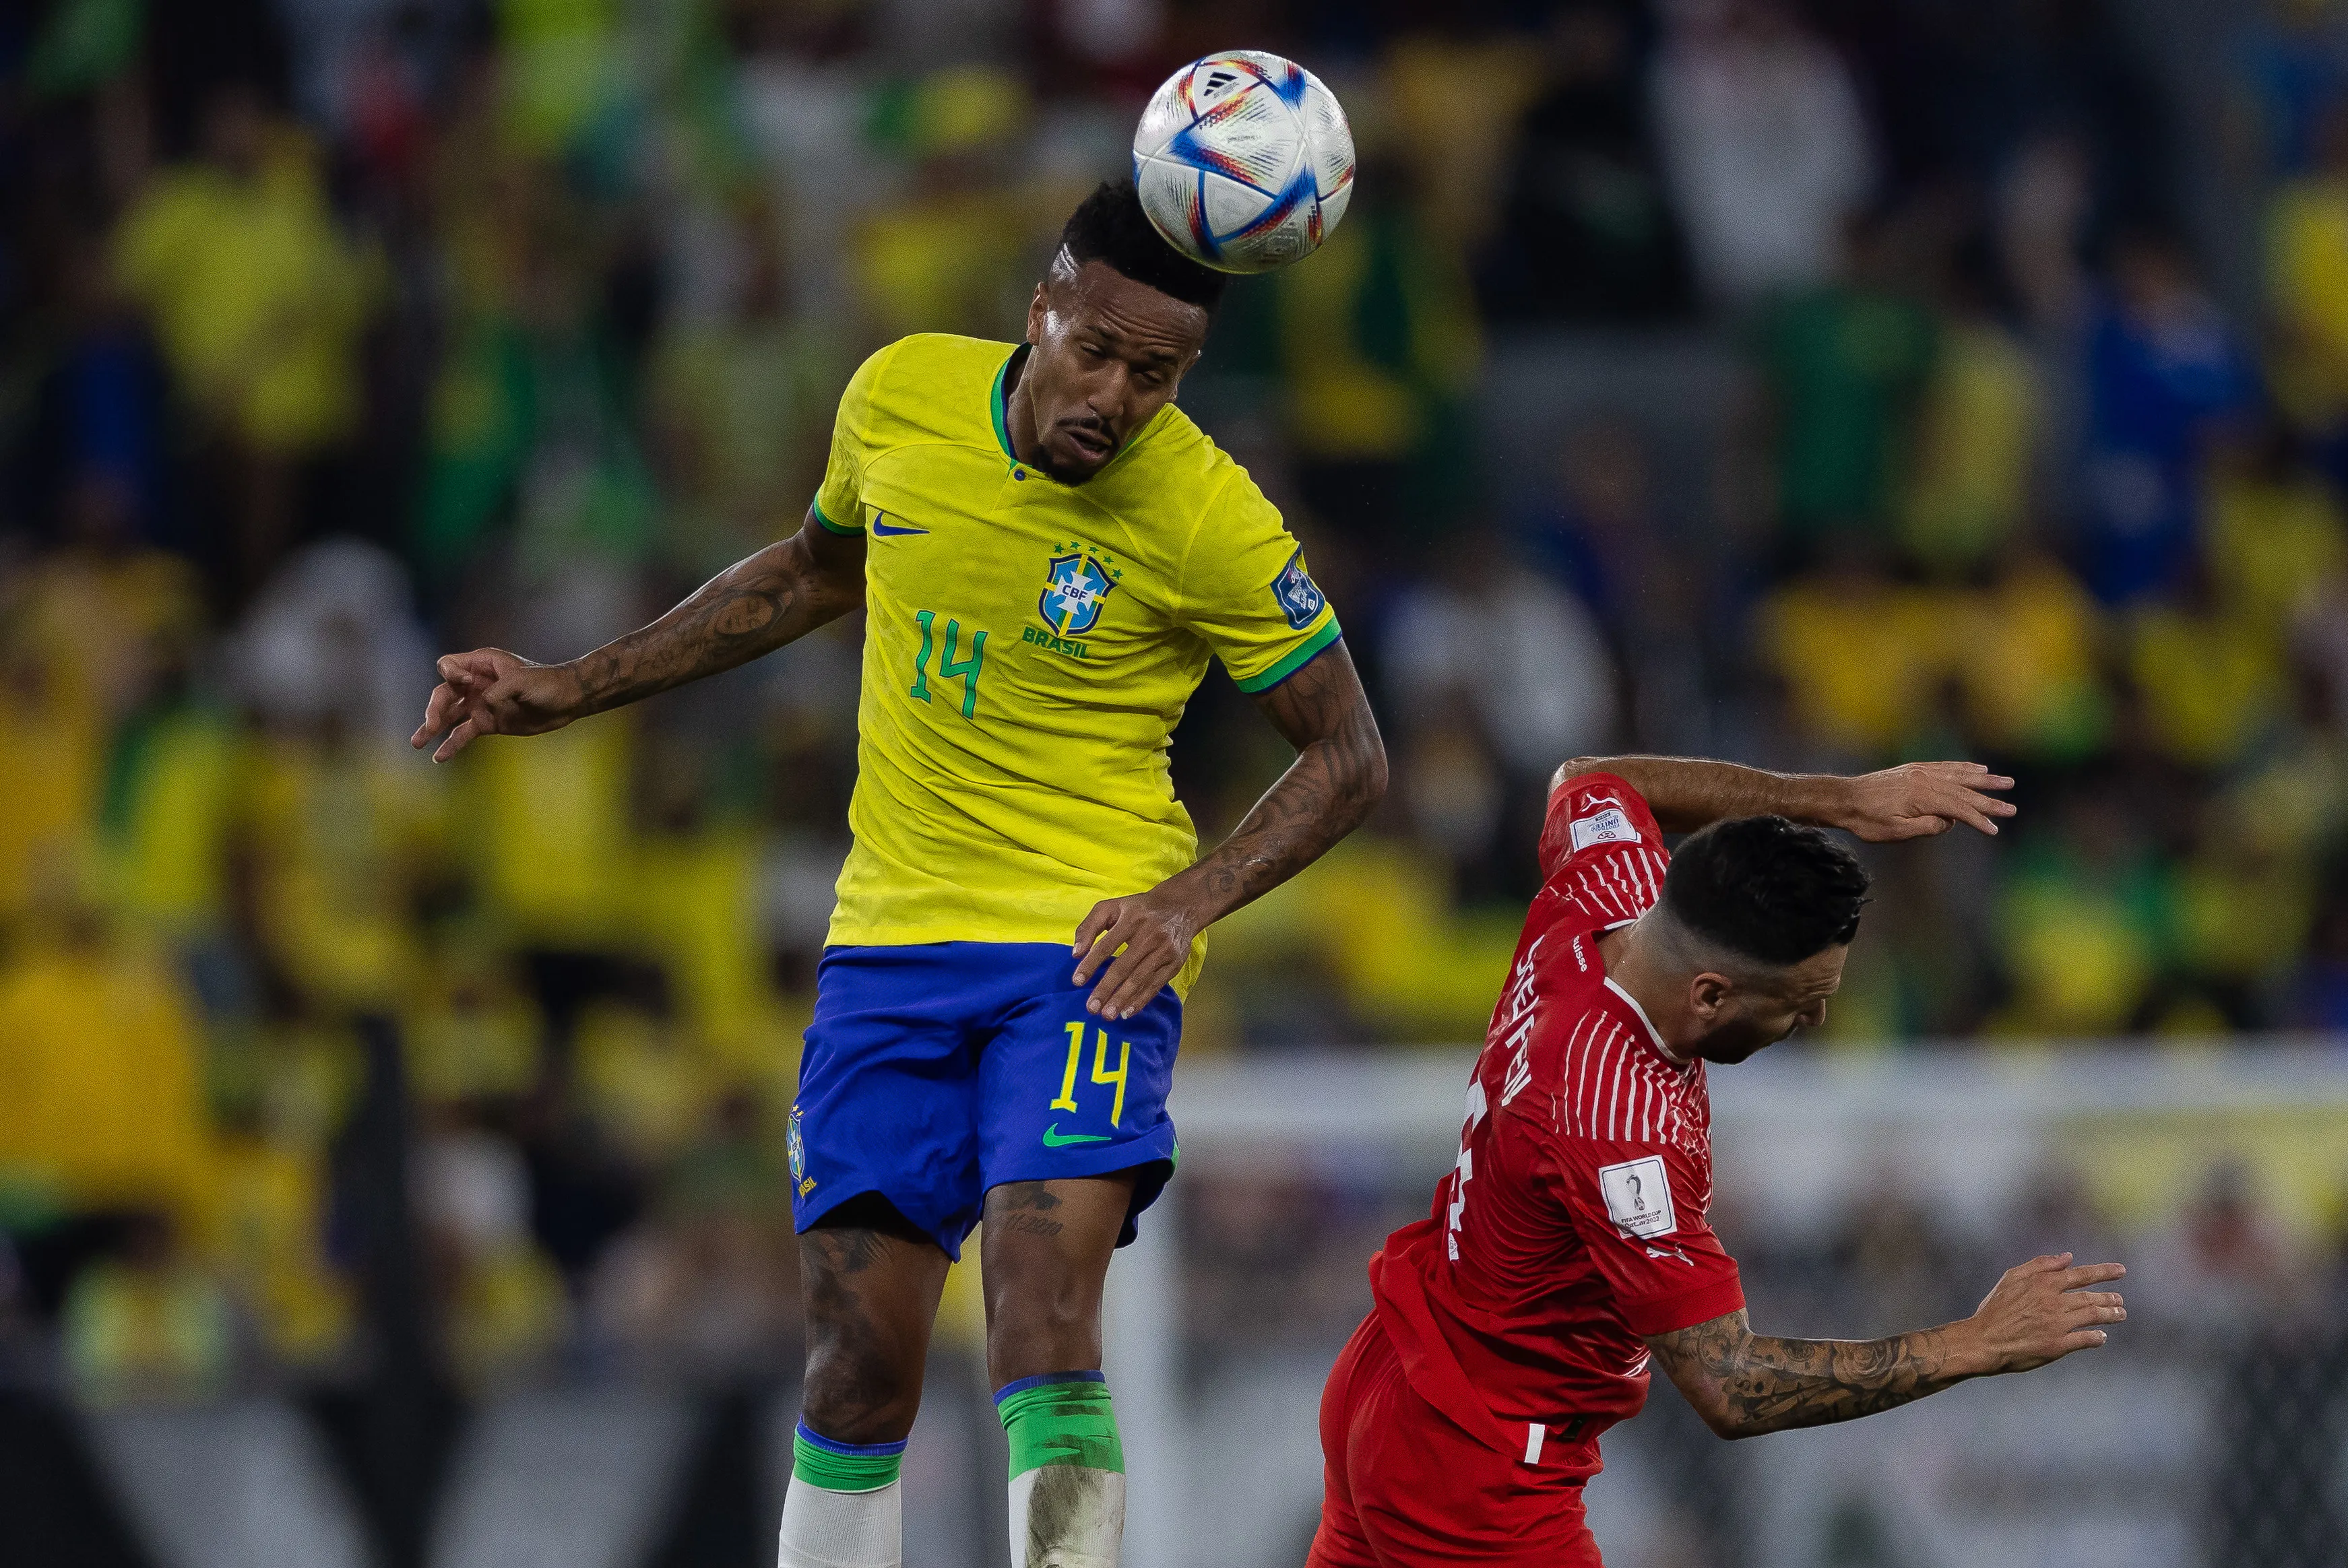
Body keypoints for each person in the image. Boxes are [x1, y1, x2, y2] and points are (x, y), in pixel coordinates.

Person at [412, 180, 1387, 1568]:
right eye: (1098, 353)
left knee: (1041, 1319)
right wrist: (574, 688)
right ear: (1040, 310)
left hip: (1083, 956)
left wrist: (1187, 902)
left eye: (1158, 375)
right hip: (888, 952)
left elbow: (1351, 756)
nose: (1118, 395)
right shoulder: (900, 398)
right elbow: (812, 575)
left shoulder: (1213, 519)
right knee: (855, 1370)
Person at [1308, 755, 2127, 1568]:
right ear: (1710, 996)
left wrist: (1835, 799)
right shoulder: (1619, 1122)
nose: (1818, 1017)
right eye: (1800, 1002)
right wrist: (1975, 1345)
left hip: (1400, 1365)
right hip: (1475, 1469)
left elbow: (1588, 779)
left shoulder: (1613, 890)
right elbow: (1729, 1384)